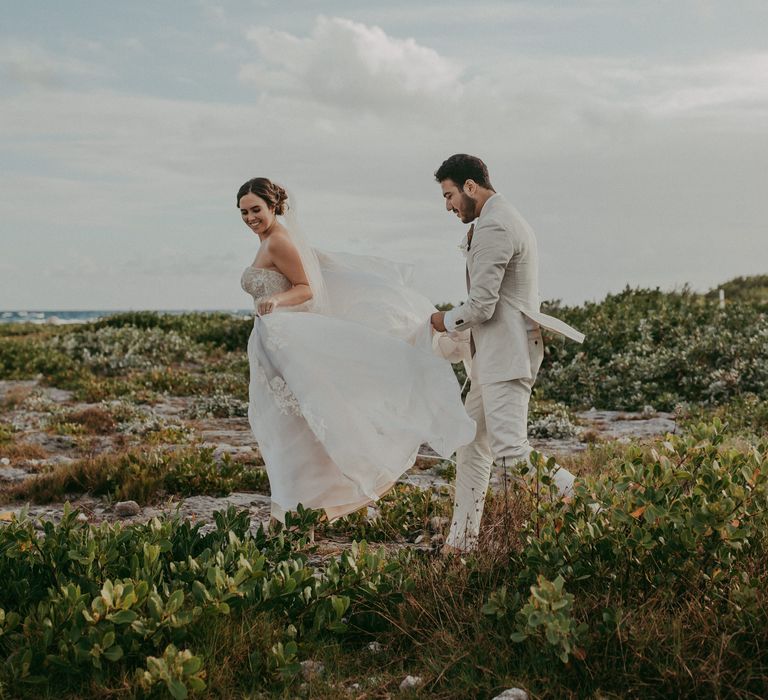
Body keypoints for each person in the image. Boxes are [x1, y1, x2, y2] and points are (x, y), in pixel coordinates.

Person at [237, 177, 476, 522]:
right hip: (274, 342)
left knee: (294, 426)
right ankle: (294, 505)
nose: (249, 217)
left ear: (273, 207)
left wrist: (275, 299)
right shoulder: (267, 241)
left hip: (286, 334)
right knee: (285, 425)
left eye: (256, 209)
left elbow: (305, 289)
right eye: (244, 212)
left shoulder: (278, 241)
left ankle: (301, 507)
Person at [429, 154, 585, 553]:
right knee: (471, 445)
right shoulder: (499, 218)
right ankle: (460, 543)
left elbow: (481, 305)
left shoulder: (497, 224)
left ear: (469, 186)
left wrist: (441, 320)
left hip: (506, 355)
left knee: (512, 452)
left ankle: (591, 509)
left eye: (448, 195)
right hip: (490, 359)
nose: (447, 206)